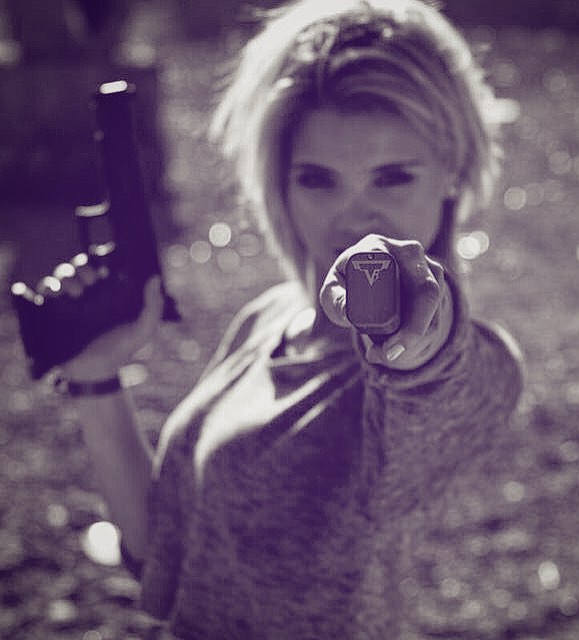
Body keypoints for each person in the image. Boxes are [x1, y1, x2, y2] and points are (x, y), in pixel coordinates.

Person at [47, 0, 524, 637]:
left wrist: (418, 336)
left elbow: (434, 376)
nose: (356, 220)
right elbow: (164, 553)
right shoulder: (269, 318)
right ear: (281, 186)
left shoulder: (476, 371)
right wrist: (96, 379)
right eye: (318, 180)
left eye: (392, 178)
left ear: (453, 174)